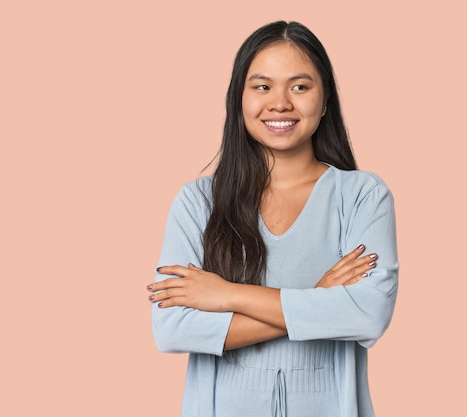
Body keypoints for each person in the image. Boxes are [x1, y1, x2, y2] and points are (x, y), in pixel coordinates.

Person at [147, 20, 399, 417]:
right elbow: (172, 329)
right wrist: (319, 299)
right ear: (238, 99)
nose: (280, 103)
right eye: (262, 86)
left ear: (326, 98)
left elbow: (367, 316)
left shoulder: (362, 196)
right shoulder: (198, 202)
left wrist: (227, 295)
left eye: (300, 86)